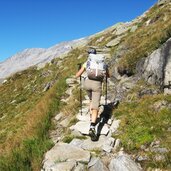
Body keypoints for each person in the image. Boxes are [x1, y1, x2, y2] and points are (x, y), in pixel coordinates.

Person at [75, 48, 110, 141]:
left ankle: (91, 116)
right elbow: (108, 75)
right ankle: (92, 126)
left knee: (91, 100)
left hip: (87, 84)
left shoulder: (87, 63)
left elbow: (77, 75)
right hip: (97, 85)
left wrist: (80, 70)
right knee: (96, 106)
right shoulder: (102, 63)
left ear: (89, 55)